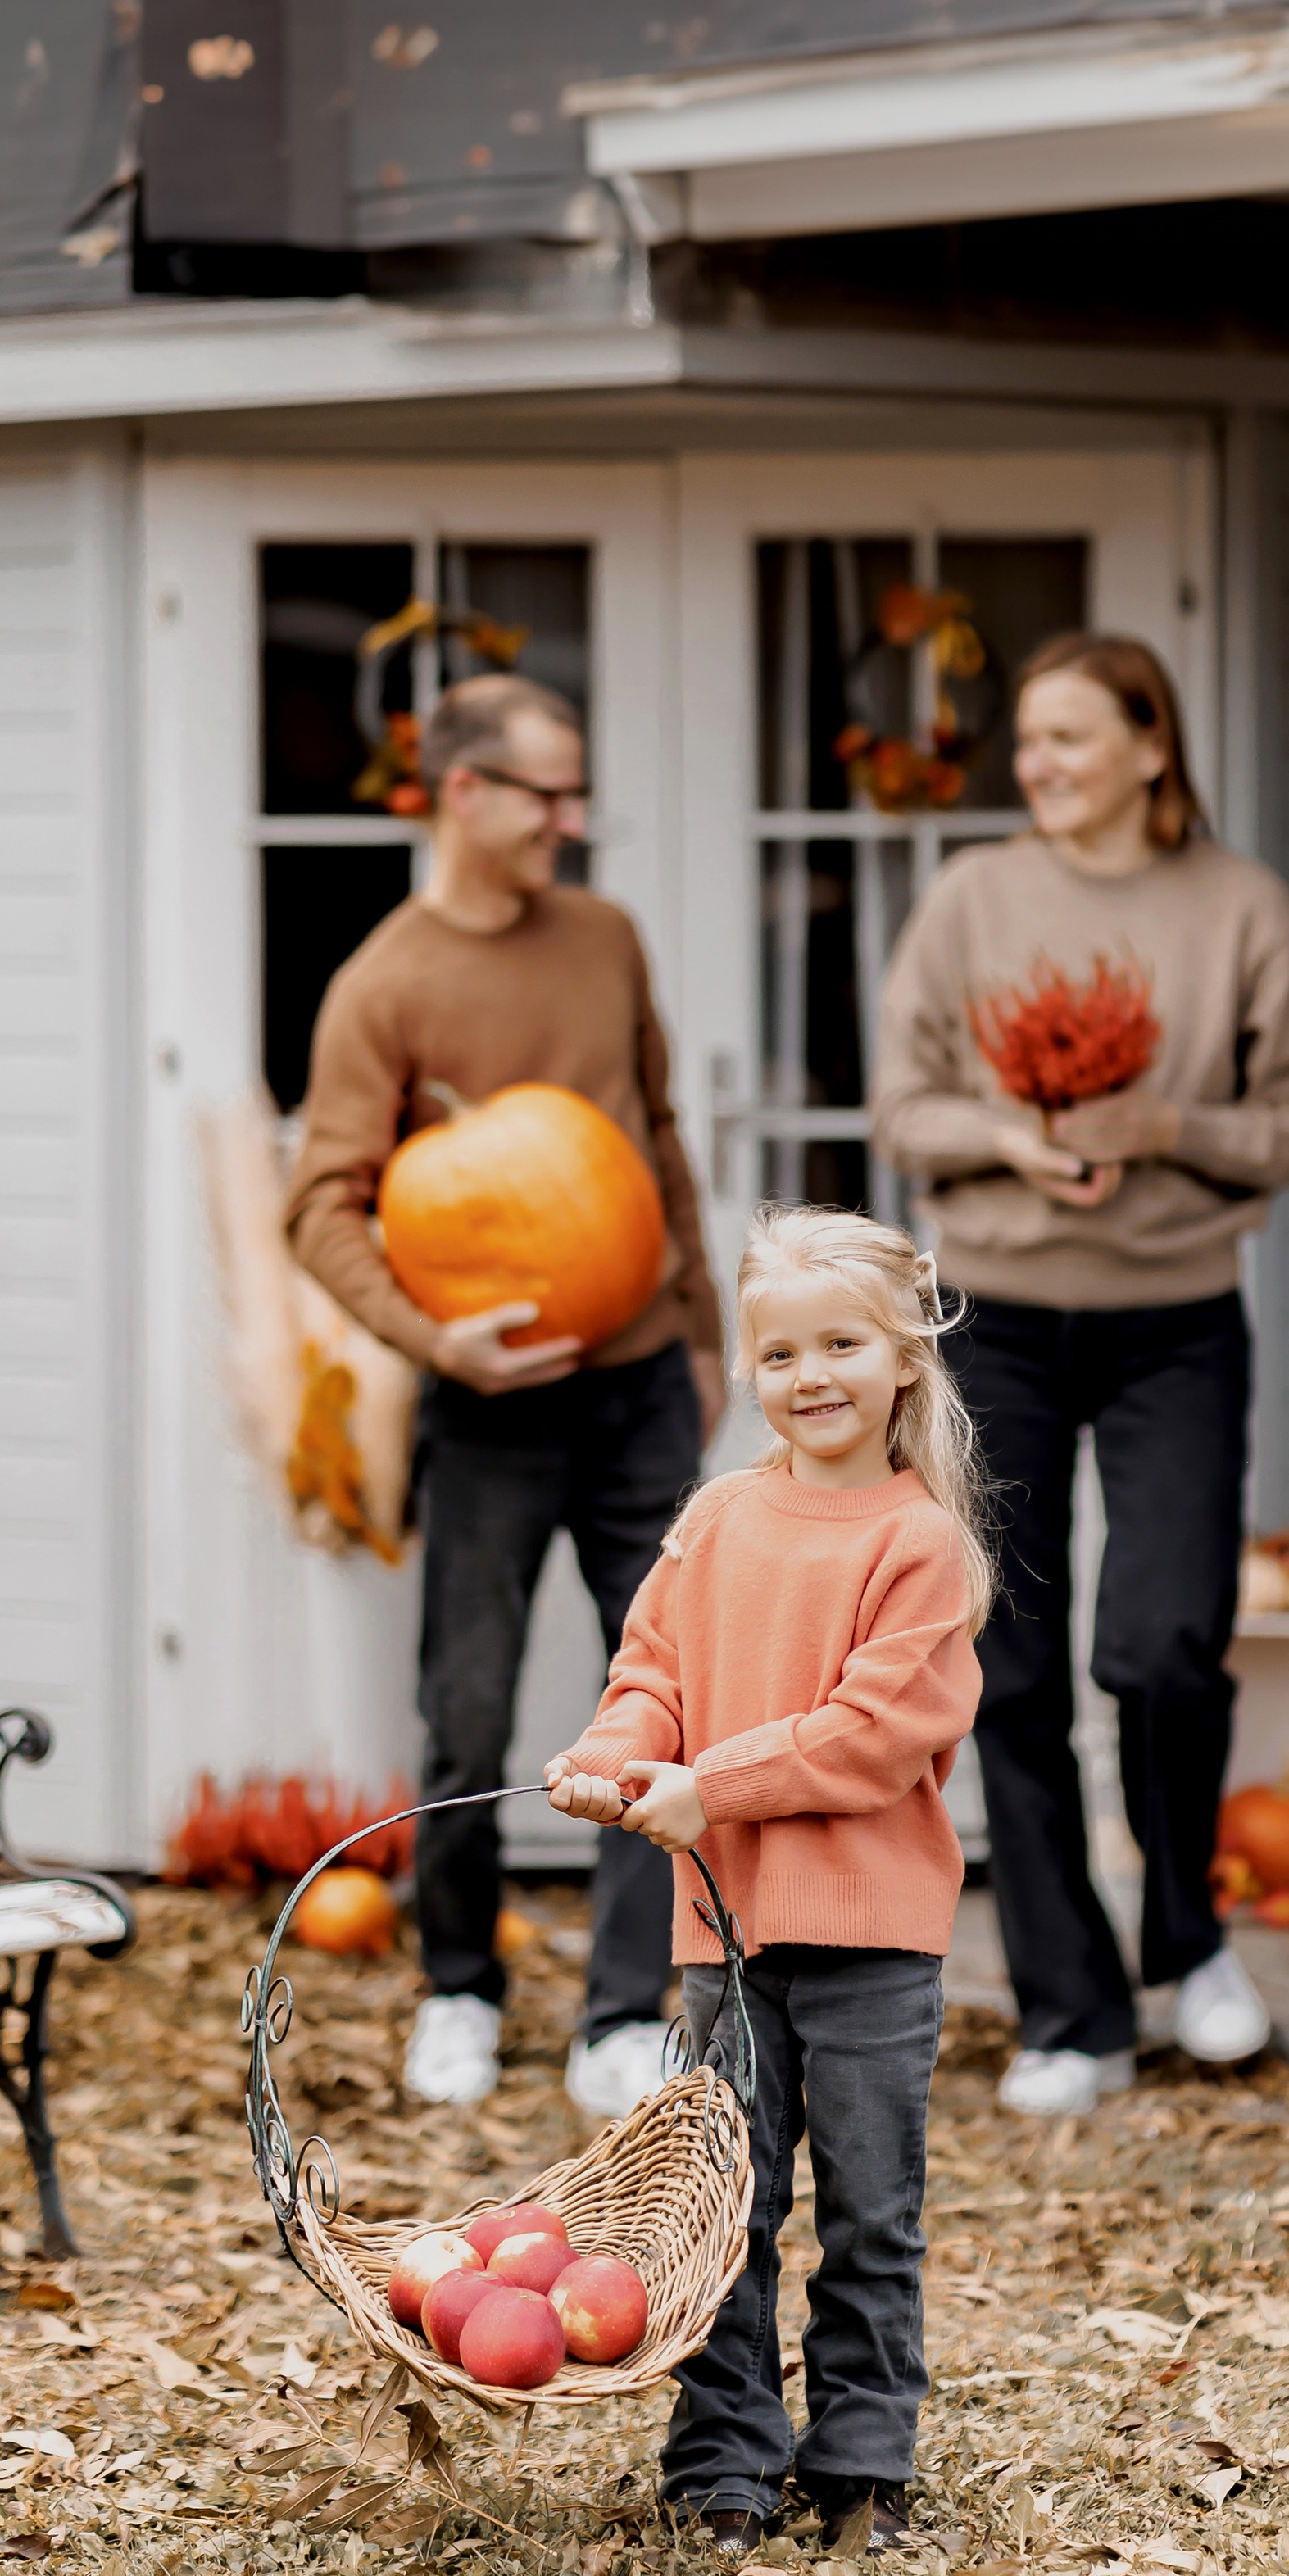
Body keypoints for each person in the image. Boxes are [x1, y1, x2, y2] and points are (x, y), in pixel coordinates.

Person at [871, 632, 1289, 2118]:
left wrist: (1167, 1129)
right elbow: (903, 1101)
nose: (1043, 765)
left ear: (1154, 745)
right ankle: (1070, 2010)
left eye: (1075, 737)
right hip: (996, 1313)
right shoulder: (973, 897)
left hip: (1175, 1319)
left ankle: (1189, 1943)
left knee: (1163, 1641)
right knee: (1006, 1658)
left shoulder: (1240, 907)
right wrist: (1009, 1140)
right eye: (1031, 740)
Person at [287, 672, 726, 2117]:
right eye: (544, 792)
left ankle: (621, 2008)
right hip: (487, 1405)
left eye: (574, 791)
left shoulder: (604, 938)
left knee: (652, 1706)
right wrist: (435, 1339)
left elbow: (656, 1134)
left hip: (640, 1388)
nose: (569, 819)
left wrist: (706, 1325)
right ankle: (460, 1989)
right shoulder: (385, 983)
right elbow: (324, 1204)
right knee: (466, 1710)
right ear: (461, 792)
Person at [546, 1206, 987, 2558]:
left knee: (869, 2212)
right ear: (748, 1365)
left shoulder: (919, 1546)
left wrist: (706, 1789)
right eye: (781, 1349)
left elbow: (867, 1737)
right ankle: (724, 2460)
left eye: (843, 1342)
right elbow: (653, 1674)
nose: (813, 1374)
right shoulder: (719, 1518)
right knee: (725, 2208)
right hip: (724, 1938)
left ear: (906, 1354)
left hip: (874, 1945)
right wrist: (616, 1758)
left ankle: (862, 2462)